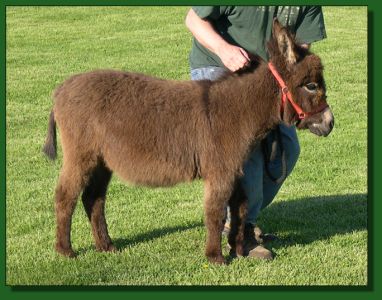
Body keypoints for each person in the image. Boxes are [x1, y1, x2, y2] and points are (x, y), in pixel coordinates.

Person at [185, 6, 326, 259]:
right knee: (246, 151)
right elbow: (193, 20)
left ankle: (237, 215)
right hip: (218, 65)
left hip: (270, 79)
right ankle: (242, 230)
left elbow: (299, 55)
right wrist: (223, 49)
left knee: (287, 150)